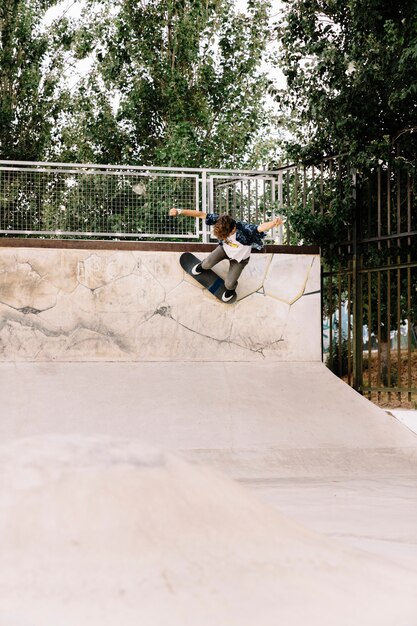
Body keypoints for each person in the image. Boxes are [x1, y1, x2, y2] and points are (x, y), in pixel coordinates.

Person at [169, 208, 283, 302]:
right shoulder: (221, 221)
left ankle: (231, 290)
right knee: (207, 263)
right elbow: (200, 214)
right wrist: (179, 211)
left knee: (229, 284)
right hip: (224, 250)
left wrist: (273, 223)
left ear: (234, 229)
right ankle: (201, 266)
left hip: (239, 260)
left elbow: (260, 227)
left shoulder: (245, 229)